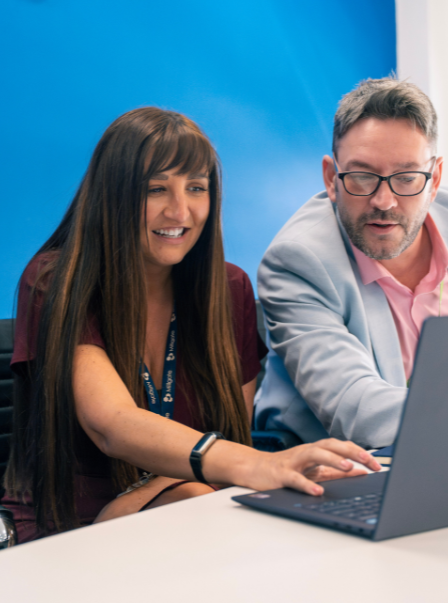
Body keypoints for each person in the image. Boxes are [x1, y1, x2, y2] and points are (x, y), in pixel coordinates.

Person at [1, 108, 379, 543]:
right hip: (71, 524)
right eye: (155, 189)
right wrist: (256, 465)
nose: (179, 211)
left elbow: (231, 428)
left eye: (196, 188)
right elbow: (112, 424)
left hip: (197, 503)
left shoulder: (228, 287)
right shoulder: (56, 282)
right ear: (112, 196)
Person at [254, 77, 448, 449]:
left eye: (406, 178)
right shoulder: (297, 261)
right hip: (329, 465)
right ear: (331, 178)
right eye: (362, 176)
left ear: (434, 179)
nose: (384, 201)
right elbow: (359, 410)